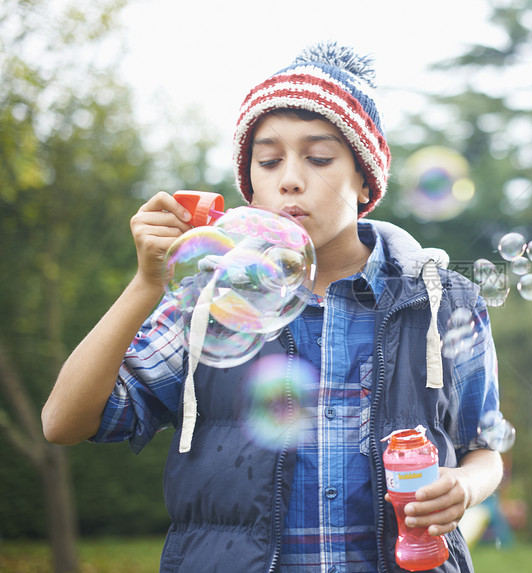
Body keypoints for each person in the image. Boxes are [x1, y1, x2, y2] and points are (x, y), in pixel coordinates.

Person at [41, 41, 503, 572]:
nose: (290, 177)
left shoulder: (441, 299)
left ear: (364, 178)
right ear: (251, 186)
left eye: (319, 157)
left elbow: (484, 445)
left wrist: (464, 486)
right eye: (268, 160)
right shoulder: (212, 298)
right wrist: (147, 283)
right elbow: (63, 422)